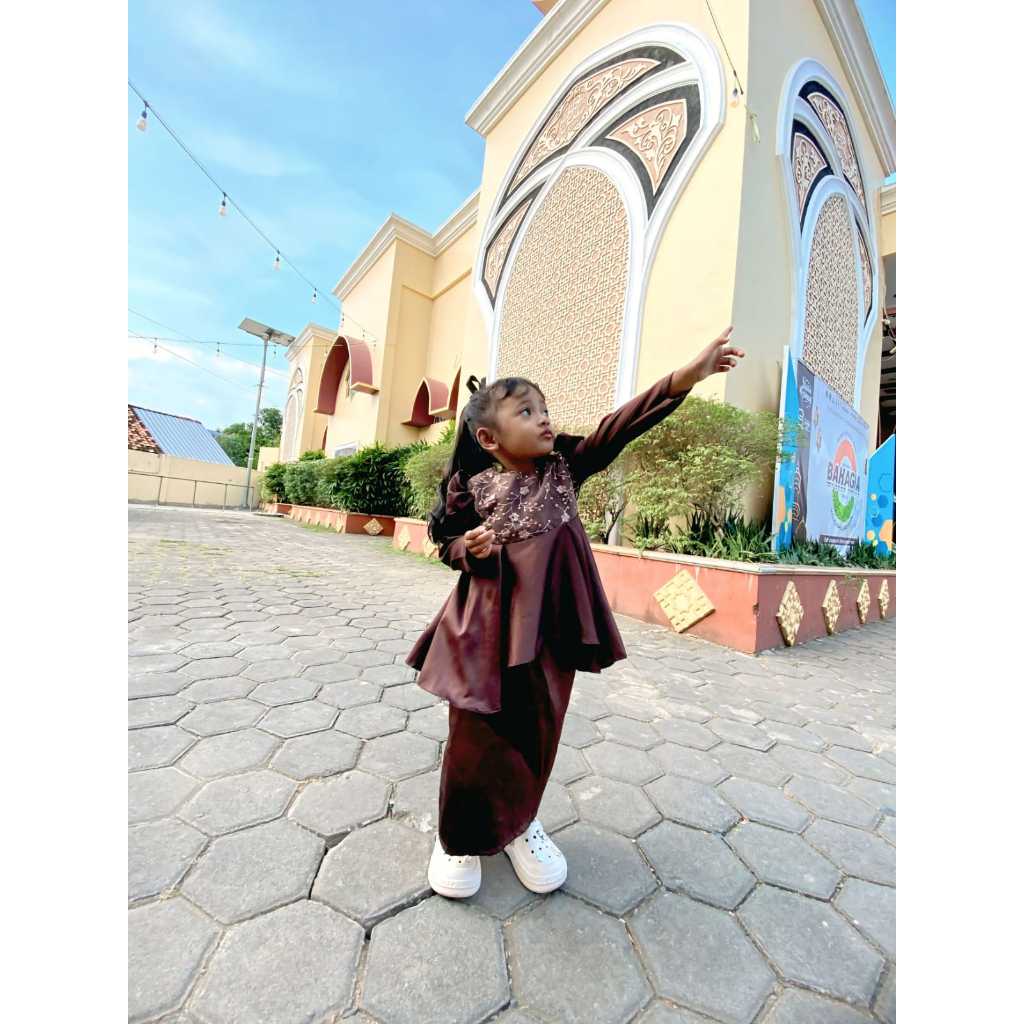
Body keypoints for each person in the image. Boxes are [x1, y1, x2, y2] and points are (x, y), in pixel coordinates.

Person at [407, 328, 745, 898]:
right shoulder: (472, 488)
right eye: (526, 411)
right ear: (489, 437)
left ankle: (519, 823)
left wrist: (688, 376)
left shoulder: (566, 468)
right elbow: (446, 545)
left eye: (543, 408)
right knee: (473, 735)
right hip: (482, 633)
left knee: (538, 730)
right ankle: (457, 836)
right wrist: (469, 547)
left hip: (551, 632)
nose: (543, 418)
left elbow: (620, 426)